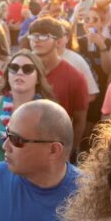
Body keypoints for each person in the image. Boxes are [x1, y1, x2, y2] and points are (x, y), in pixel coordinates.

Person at [0, 50, 54, 175]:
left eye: (27, 69)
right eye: (13, 68)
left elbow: (55, 155)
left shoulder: (48, 111)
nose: (19, 72)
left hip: (33, 179)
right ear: (7, 75)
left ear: (38, 78)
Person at [26, 17, 89, 150]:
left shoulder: (74, 77)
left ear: (58, 41)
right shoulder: (19, 69)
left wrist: (68, 153)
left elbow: (79, 121)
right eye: (33, 35)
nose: (36, 39)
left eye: (44, 36)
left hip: (54, 149)